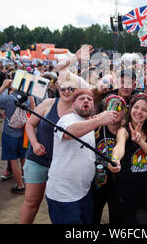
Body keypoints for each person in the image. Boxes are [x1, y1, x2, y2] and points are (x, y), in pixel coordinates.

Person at [45, 89, 119, 224]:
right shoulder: (66, 119)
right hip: (63, 196)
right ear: (73, 105)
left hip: (84, 194)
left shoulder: (89, 123)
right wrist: (99, 120)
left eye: (89, 99)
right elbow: (68, 133)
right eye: (81, 99)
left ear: (93, 106)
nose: (86, 100)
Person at [108, 93, 147, 224]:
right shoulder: (123, 130)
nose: (139, 112)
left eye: (144, 110)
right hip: (126, 188)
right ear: (130, 109)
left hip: (145, 187)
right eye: (136, 107)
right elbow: (119, 147)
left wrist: (140, 140)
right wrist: (115, 159)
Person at [20, 80, 76, 224]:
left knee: (61, 204)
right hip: (38, 160)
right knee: (32, 203)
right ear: (58, 88)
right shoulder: (48, 103)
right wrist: (35, 143)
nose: (67, 91)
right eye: (63, 88)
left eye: (71, 88)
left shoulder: (80, 108)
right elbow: (30, 124)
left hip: (62, 165)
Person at [0, 78, 36, 195]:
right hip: (23, 132)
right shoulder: (28, 98)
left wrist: (3, 87)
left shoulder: (9, 98)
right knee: (23, 158)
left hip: (10, 133)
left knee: (13, 161)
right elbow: (33, 111)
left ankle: (20, 185)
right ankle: (28, 183)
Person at [91, 94, 127, 224]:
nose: (114, 111)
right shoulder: (97, 127)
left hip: (117, 181)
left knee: (117, 217)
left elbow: (120, 146)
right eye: (110, 107)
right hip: (97, 180)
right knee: (93, 215)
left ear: (124, 112)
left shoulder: (125, 130)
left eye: (118, 108)